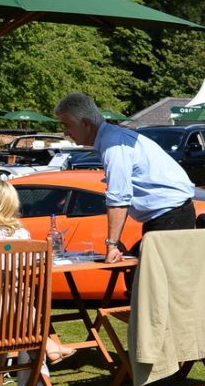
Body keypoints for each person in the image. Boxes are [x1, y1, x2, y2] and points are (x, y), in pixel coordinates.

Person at [54, 92, 196, 263]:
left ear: (85, 123)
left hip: (170, 216)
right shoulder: (113, 139)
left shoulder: (113, 145)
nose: (65, 132)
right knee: (152, 281)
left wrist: (111, 244)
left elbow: (119, 197)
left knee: (158, 283)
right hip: (169, 215)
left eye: (67, 125)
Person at [0, 177, 74, 386]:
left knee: (1, 294)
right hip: (9, 324)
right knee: (8, 293)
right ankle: (47, 343)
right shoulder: (21, 235)